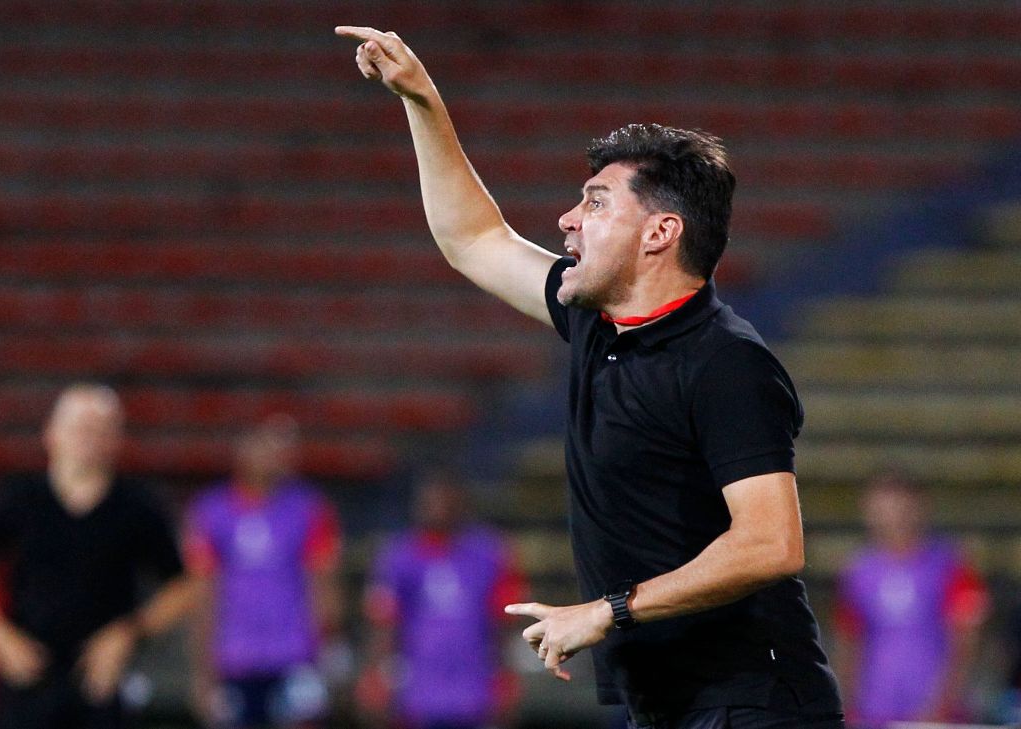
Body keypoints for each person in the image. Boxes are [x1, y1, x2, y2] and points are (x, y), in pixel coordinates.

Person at [336, 26, 844, 728]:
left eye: (597, 202)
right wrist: (421, 99)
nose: (568, 219)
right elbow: (474, 239)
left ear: (660, 233)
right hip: (664, 703)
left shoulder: (727, 363)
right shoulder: (596, 324)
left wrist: (609, 610)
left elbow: (771, 544)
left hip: (753, 702)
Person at [0, 384, 194, 729]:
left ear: (117, 439)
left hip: (102, 684)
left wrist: (128, 633)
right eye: (79, 428)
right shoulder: (21, 498)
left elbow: (183, 586)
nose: (88, 439)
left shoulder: (137, 506)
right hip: (29, 679)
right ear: (52, 434)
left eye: (100, 430)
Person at [184, 414, 342, 729]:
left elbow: (322, 584)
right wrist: (201, 670)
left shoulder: (309, 508)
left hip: (295, 653)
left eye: (278, 449)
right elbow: (204, 593)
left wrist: (331, 651)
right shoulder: (211, 511)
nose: (273, 456)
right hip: (234, 657)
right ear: (241, 452)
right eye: (264, 447)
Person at [358, 472, 526, 729]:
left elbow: (504, 622)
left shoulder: (489, 554)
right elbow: (384, 624)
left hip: (475, 692)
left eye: (445, 501)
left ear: (461, 503)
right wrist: (376, 677)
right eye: (430, 502)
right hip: (417, 693)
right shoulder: (399, 557)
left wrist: (506, 679)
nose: (438, 508)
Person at [834, 472, 989, 727]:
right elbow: (850, 641)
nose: (893, 517)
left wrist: (943, 704)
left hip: (936, 713)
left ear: (921, 507)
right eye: (884, 509)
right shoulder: (858, 572)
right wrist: (846, 703)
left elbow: (966, 643)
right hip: (873, 711)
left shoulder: (951, 566)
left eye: (901, 508)